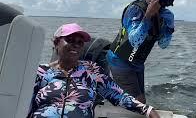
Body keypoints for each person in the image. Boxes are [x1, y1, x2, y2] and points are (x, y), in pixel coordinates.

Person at [27, 23, 160, 118]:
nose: (76, 44)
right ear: (56, 43)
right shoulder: (41, 71)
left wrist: (147, 110)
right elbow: (22, 103)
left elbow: (118, 95)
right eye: (70, 40)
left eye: (80, 42)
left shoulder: (91, 71)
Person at [108, 0, 175, 103]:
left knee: (140, 99)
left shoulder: (164, 15)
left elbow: (163, 45)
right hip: (120, 60)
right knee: (139, 102)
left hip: (137, 63)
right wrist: (148, 15)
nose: (166, 1)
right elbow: (135, 41)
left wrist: (169, 27)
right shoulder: (135, 9)